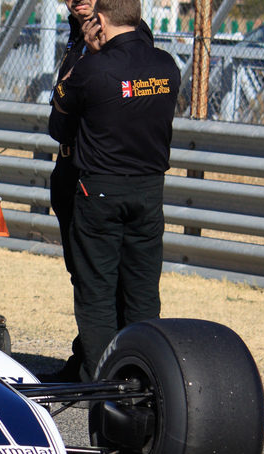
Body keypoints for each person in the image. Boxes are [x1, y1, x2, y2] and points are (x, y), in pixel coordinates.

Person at [51, 0, 180, 381]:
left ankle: (103, 382)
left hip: (100, 188)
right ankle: (142, 376)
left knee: (96, 290)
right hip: (148, 189)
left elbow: (59, 123)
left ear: (103, 20)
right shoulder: (167, 66)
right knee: (142, 291)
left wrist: (88, 64)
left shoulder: (93, 66)